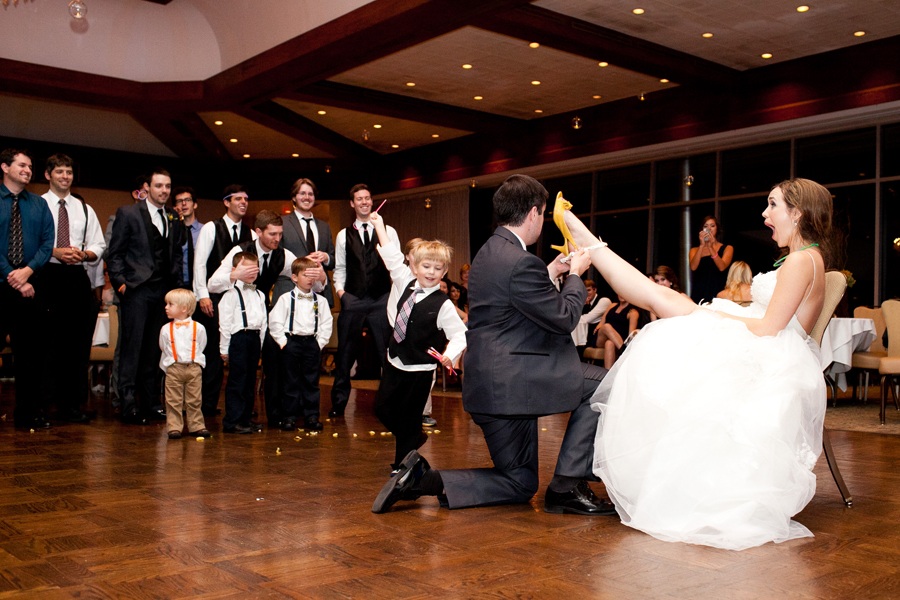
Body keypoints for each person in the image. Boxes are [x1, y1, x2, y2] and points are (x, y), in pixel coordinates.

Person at [555, 178, 831, 550]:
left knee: (664, 306)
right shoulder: (804, 257)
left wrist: (710, 317)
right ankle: (581, 234)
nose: (765, 214)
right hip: (767, 346)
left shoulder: (802, 260)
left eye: (772, 205)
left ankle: (579, 233)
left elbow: (769, 328)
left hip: (768, 356)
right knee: (663, 300)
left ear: (797, 213)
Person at [372, 174, 613, 517]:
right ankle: (568, 485)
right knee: (606, 384)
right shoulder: (518, 260)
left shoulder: (490, 252)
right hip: (516, 382)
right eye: (543, 215)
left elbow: (512, 295)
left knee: (520, 482)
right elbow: (563, 317)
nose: (542, 222)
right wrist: (575, 274)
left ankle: (424, 480)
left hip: (490, 385)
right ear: (533, 213)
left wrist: (550, 271)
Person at [368, 212, 466, 476]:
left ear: (444, 271)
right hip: (395, 359)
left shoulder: (443, 305)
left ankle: (404, 466)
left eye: (437, 269)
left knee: (411, 417)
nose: (431, 273)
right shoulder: (404, 281)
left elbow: (460, 333)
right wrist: (379, 225)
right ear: (414, 266)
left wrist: (450, 355)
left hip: (421, 370)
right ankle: (413, 438)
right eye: (426, 267)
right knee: (383, 409)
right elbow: (390, 255)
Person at [208, 210, 325, 429]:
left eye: (280, 234)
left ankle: (275, 415)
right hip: (237, 317)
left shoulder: (283, 255)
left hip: (261, 316)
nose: (277, 239)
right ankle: (235, 418)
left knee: (273, 363)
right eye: (272, 234)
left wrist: (321, 277)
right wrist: (235, 276)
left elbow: (307, 277)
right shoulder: (240, 251)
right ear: (258, 232)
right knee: (239, 375)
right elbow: (213, 284)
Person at [107, 168, 185, 425]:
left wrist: (176, 288)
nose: (164, 190)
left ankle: (151, 403)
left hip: (163, 294)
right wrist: (121, 285)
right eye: (159, 186)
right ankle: (128, 404)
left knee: (155, 349)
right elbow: (114, 253)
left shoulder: (173, 216)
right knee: (132, 349)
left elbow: (174, 255)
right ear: (147, 187)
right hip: (137, 291)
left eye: (168, 186)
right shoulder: (128, 213)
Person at [40, 153, 106, 423]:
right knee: (47, 344)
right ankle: (47, 403)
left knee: (77, 346)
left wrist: (85, 255)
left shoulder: (85, 208)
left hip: (77, 278)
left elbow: (99, 245)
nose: (65, 176)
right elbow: (30, 245)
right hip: (47, 276)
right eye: (59, 172)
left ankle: (73, 404)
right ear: (48, 175)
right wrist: (56, 252)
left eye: (68, 172)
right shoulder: (38, 205)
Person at [330, 184, 399, 417]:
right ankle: (338, 405)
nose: (364, 202)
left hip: (381, 299)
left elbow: (396, 264)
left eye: (367, 198)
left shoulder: (387, 229)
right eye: (359, 199)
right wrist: (342, 294)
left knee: (386, 355)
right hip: (353, 300)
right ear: (352, 204)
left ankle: (389, 405)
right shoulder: (343, 235)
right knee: (345, 355)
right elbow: (339, 268)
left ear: (372, 201)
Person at [1, 149, 54, 429]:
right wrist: (11, 274)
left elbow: (48, 244)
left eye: (30, 166)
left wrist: (26, 272)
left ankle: (28, 412)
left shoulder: (39, 204)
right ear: (5, 167)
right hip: (1, 285)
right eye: (21, 165)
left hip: (32, 286)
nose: (27, 169)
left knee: (31, 355)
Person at [193, 184, 253, 417]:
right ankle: (207, 404)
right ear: (226, 202)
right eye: (238, 199)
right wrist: (202, 296)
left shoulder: (251, 233)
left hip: (240, 302)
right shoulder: (211, 228)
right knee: (214, 355)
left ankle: (238, 407)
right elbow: (199, 263)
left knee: (238, 354)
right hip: (214, 298)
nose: (243, 203)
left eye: (246, 199)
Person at [269, 257, 334, 432]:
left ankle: (311, 416)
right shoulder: (285, 299)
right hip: (292, 343)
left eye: (312, 275)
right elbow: (275, 322)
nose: (310, 279)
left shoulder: (319, 301)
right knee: (290, 381)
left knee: (311, 381)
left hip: (311, 343)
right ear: (294, 277)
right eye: (305, 275)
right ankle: (289, 416)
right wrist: (283, 342)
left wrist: (319, 343)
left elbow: (326, 323)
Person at [218, 252, 268, 434]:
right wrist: (224, 348)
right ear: (235, 270)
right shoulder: (230, 294)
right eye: (248, 268)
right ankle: (232, 421)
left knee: (250, 381)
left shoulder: (260, 295)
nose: (253, 272)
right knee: (237, 381)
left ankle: (246, 419)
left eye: (256, 268)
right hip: (238, 338)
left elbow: (263, 322)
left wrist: (260, 344)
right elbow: (224, 324)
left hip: (254, 339)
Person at [274, 177, 336, 307]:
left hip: (319, 295)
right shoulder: (281, 223)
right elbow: (274, 259)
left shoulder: (324, 227)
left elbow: (334, 261)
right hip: (289, 293)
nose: (306, 197)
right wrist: (300, 262)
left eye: (310, 194)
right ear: (294, 197)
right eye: (302, 193)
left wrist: (326, 257)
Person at [159, 288, 209, 439]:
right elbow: (163, 346)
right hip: (174, 368)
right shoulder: (165, 329)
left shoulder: (198, 328)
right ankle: (174, 427)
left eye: (170, 304)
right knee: (173, 400)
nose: (166, 307)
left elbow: (201, 345)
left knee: (194, 399)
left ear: (184, 308)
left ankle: (197, 425)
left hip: (193, 367)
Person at [689, 215, 733, 304]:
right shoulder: (694, 250)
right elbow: (693, 267)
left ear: (717, 228)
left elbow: (722, 267)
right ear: (702, 229)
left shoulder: (727, 248)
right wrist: (702, 246)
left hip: (719, 290)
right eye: (706, 226)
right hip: (699, 290)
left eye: (712, 226)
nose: (709, 228)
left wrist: (710, 248)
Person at [592, 294, 639, 370]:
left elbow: (630, 335)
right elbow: (601, 323)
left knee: (609, 343)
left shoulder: (633, 312)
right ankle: (624, 351)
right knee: (607, 326)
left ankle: (607, 376)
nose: (622, 295)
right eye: (620, 292)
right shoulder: (612, 305)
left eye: (624, 292)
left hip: (618, 339)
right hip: (601, 337)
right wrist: (597, 328)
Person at [172, 186, 202, 290]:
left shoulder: (206, 230)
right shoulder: (172, 231)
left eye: (188, 200)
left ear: (195, 204)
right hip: (177, 286)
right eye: (179, 201)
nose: (184, 204)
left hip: (201, 285)